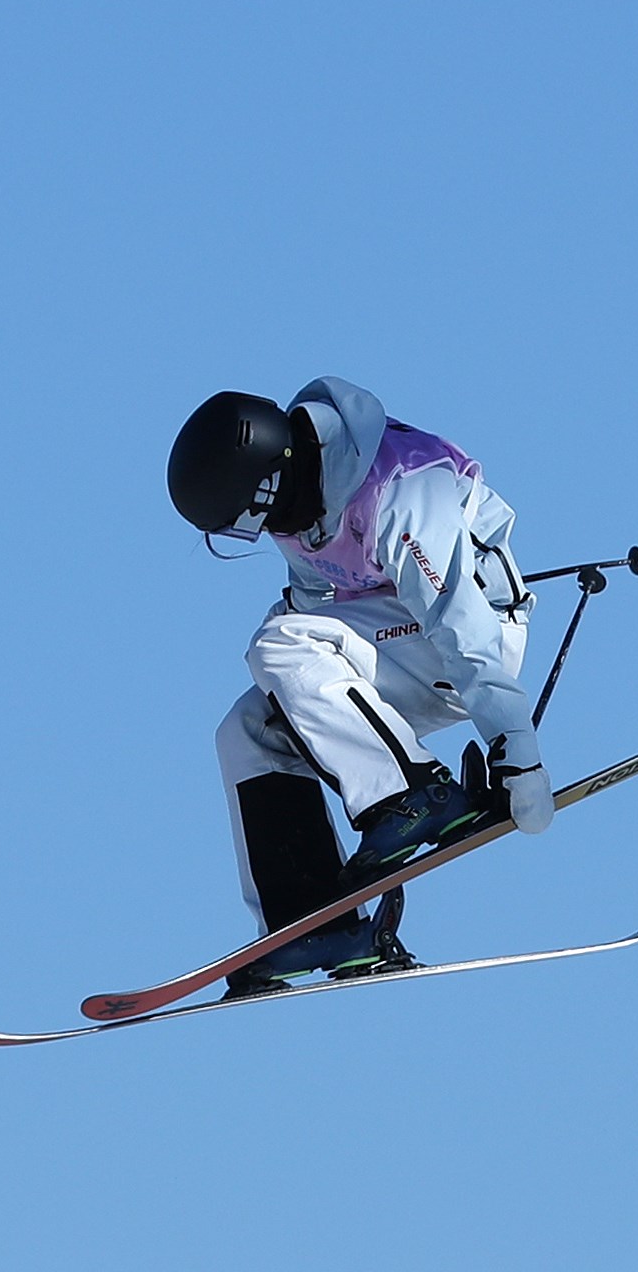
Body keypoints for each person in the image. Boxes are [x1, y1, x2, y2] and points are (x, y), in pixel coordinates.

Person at [167, 378, 556, 997]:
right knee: (248, 730)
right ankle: (314, 922)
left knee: (280, 643)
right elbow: (318, 607)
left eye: (246, 516)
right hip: (397, 642)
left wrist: (514, 743)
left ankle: (416, 795)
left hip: (471, 634)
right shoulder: (297, 512)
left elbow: (463, 624)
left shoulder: (397, 490)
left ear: (272, 476)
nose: (256, 530)